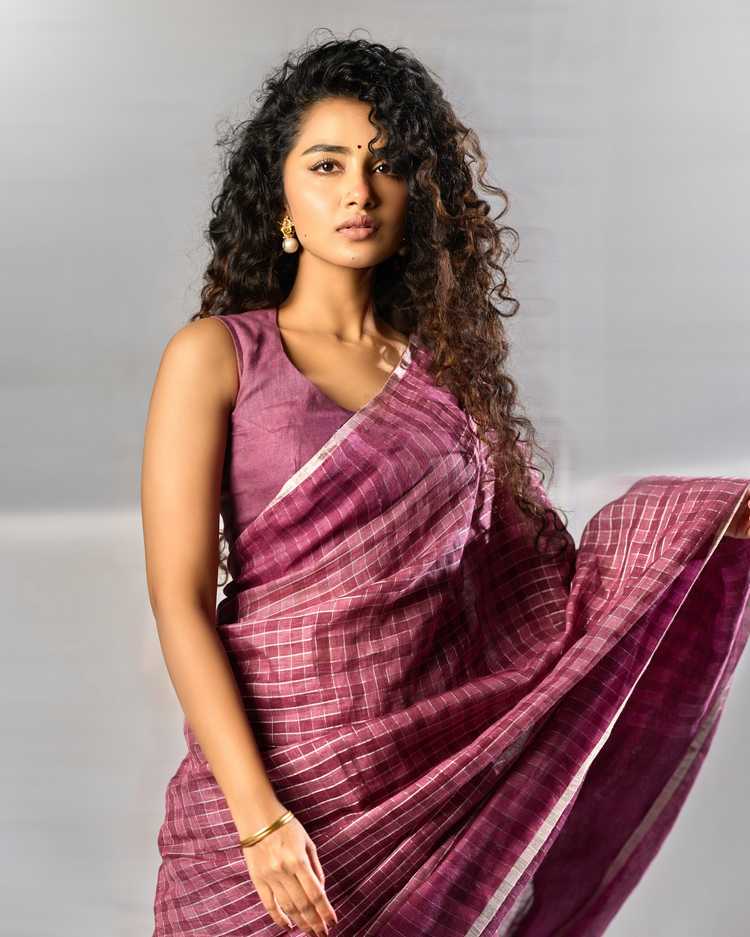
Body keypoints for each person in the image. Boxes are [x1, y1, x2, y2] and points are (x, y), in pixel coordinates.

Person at [140, 33, 750, 937]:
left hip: (430, 793)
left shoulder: (447, 381)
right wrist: (261, 820)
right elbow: (180, 602)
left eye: (386, 165)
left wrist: (696, 525)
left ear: (418, 193)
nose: (357, 191)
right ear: (280, 192)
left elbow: (535, 591)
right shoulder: (217, 356)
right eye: (327, 164)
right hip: (269, 799)